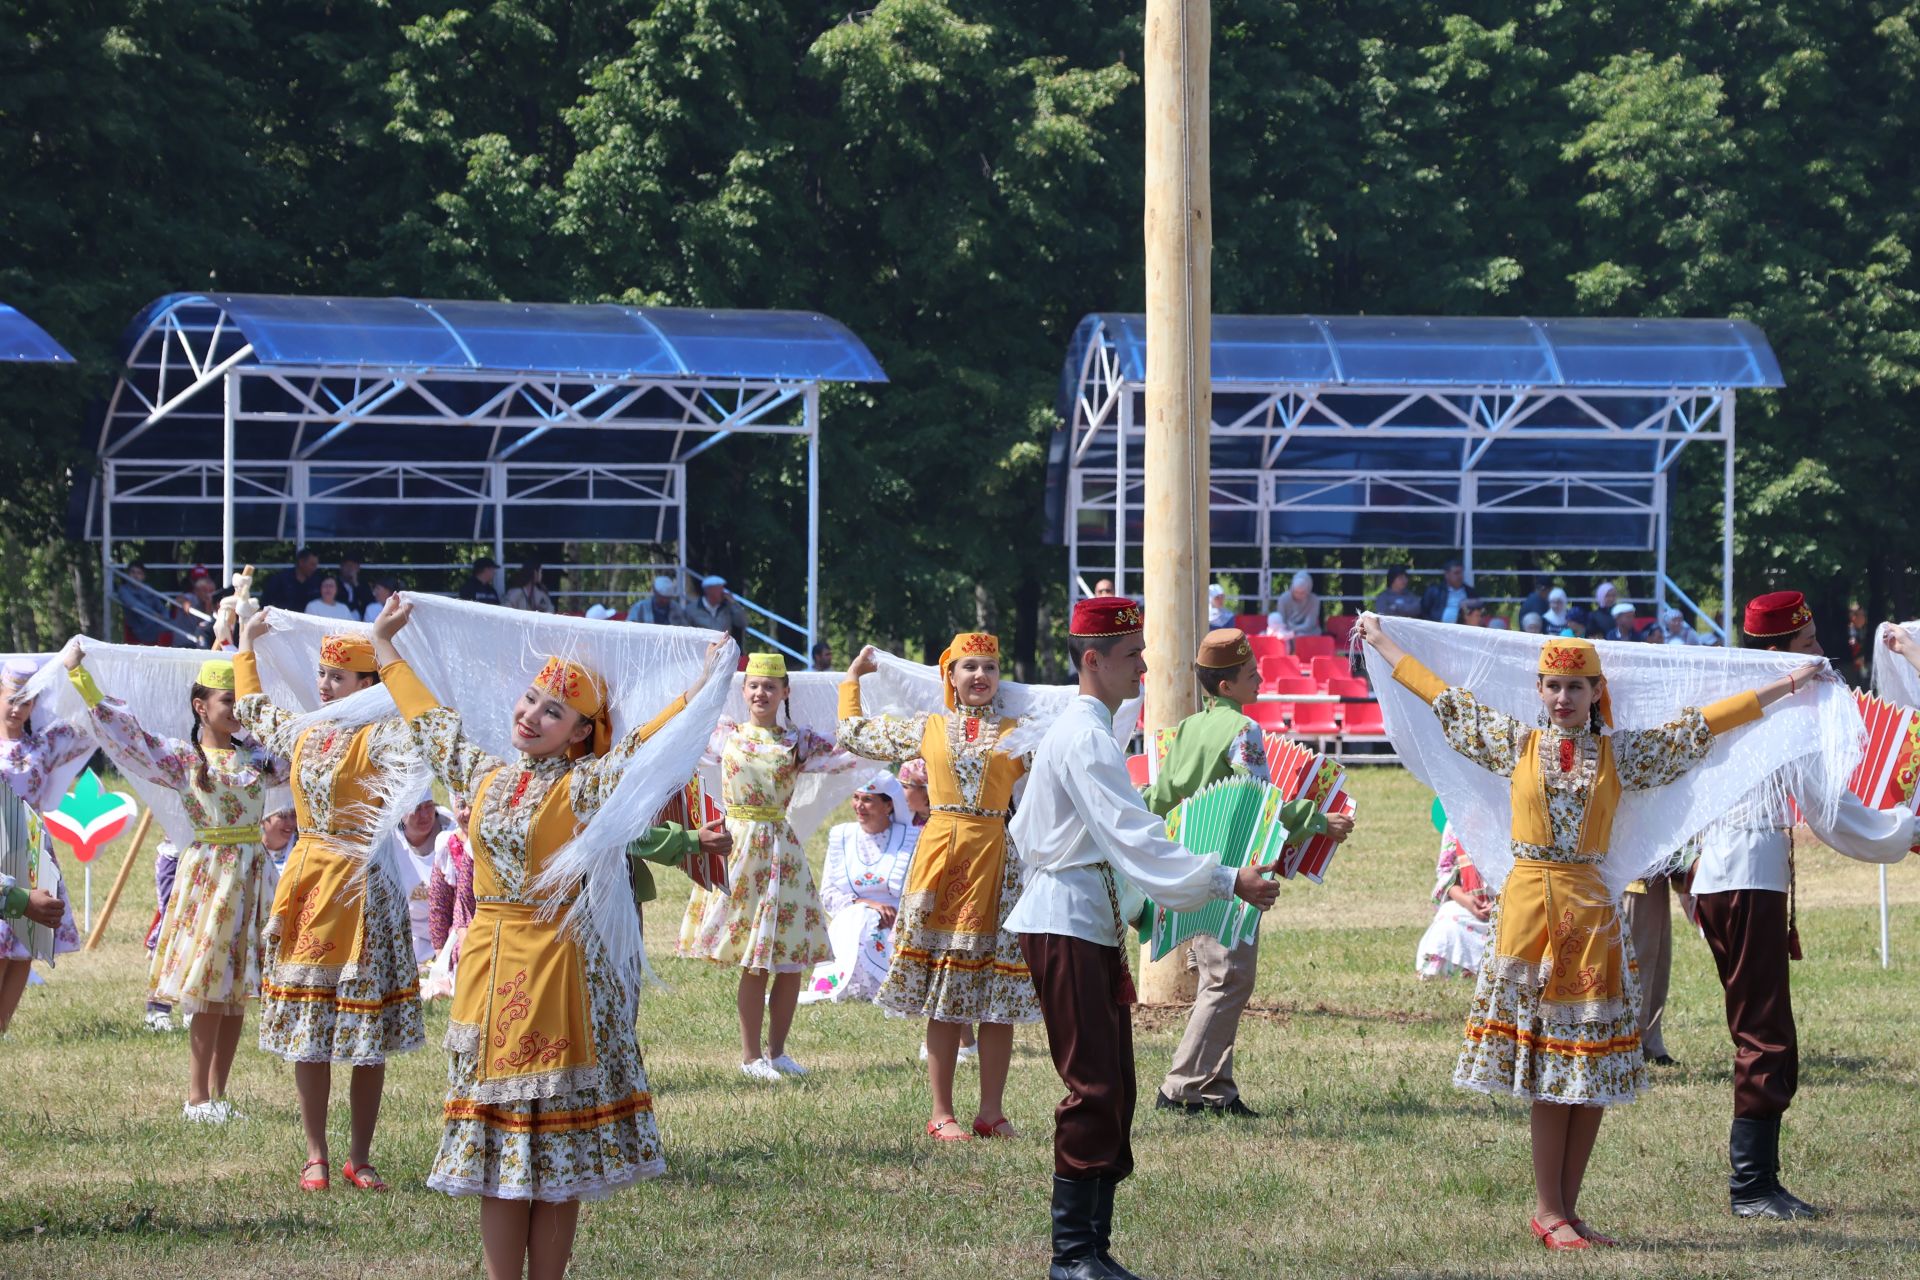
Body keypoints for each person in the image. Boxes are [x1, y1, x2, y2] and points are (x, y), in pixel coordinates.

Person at [1357, 615, 1816, 1249]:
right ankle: (1547, 1210)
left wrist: (1786, 684)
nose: (1565, 698)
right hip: (1529, 917)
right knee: (1550, 1072)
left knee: (1588, 1073)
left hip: (1593, 917)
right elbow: (1442, 698)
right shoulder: (1513, 742)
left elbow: (1701, 726)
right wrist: (1382, 643)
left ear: (1597, 691)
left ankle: (1568, 1210)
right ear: (1539, 690)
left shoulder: (1620, 753)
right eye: (1554, 687)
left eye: (1578, 688)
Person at [371, 598, 724, 1280]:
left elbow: (647, 743)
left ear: (575, 734)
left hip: (559, 972)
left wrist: (703, 682)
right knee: (499, 1154)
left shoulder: (587, 787)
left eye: (551, 712)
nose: (531, 715)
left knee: (556, 1154)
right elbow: (428, 720)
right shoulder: (484, 774)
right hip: (491, 968)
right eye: (530, 701)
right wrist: (386, 647)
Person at [1006, 596, 1282, 1280]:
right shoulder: (1085, 736)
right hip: (1064, 918)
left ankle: (1090, 1249)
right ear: (1092, 660)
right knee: (1094, 1086)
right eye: (1133, 655)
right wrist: (1226, 879)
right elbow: (1136, 837)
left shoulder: (1091, 726)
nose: (1147, 666)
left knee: (1116, 1083)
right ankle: (1072, 1257)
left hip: (1082, 916)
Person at [1684, 591, 1919, 1220]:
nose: (1821, 656)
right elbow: (1830, 813)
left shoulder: (1740, 708)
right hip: (1746, 879)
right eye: (1809, 645)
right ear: (1777, 655)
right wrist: (1905, 829)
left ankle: (1756, 1181)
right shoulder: (1781, 717)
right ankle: (1751, 1187)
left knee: (1761, 1028)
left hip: (1732, 877)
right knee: (1765, 1033)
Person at [233, 613, 426, 1192]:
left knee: (366, 1041)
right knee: (309, 1026)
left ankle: (359, 1156)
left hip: (365, 886)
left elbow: (427, 720)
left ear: (369, 685)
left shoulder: (386, 735)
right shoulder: (307, 731)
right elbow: (253, 711)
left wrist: (389, 647)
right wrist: (244, 644)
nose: (323, 685)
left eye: (338, 677)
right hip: (311, 884)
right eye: (322, 674)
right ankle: (316, 1154)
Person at [63, 645, 289, 1122]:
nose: (236, 710)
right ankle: (196, 1098)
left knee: (235, 993)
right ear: (200, 706)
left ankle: (219, 1095)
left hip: (251, 874)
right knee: (209, 987)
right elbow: (130, 736)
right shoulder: (184, 758)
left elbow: (291, 761)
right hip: (213, 874)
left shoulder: (256, 757)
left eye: (241, 701)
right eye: (229, 701)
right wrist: (79, 676)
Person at [1144, 628, 1353, 1118]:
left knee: (1217, 975)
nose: (1260, 677)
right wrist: (1319, 820)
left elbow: (1163, 796)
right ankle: (1180, 1089)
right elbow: (1263, 804)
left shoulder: (1190, 728)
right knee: (1229, 978)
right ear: (1225, 686)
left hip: (1188, 863)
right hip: (1232, 866)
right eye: (1249, 673)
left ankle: (1217, 1090)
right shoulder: (1244, 732)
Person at [839, 636, 1041, 1136]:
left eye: (990, 667)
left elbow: (1064, 770)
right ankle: (940, 1113)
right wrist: (851, 681)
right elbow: (856, 734)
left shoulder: (1018, 733)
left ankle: (991, 1112)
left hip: (996, 858)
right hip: (942, 859)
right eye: (969, 666)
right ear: (949, 675)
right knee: (945, 988)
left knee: (998, 992)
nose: (980, 676)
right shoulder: (929, 727)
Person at [689, 653, 852, 1080]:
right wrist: (710, 670)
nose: (761, 693)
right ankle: (749, 1057)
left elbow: (850, 747)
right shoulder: (725, 733)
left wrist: (852, 681)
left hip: (782, 849)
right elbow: (685, 717)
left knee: (790, 957)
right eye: (754, 686)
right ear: (744, 692)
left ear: (784, 692)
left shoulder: (799, 740)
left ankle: (778, 1052)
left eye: (769, 687)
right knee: (754, 958)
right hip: (740, 846)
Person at [0, 659, 91, 1034]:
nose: (18, 709)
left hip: (33, 848)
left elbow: (88, 727)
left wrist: (75, 672)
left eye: (27, 701)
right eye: (12, 699)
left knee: (25, 943)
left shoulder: (42, 746)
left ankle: (2, 1026)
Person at [802, 771, 918, 1005]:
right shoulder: (841, 836)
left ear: (888, 806)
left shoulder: (910, 838)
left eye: (867, 800)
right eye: (856, 798)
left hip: (896, 922)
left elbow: (918, 890)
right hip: (851, 920)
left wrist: (897, 915)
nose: (859, 806)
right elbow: (830, 893)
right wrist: (867, 905)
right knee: (860, 920)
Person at [1416, 823, 1490, 979]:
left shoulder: (1517, 814)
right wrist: (1466, 900)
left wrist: (1502, 904)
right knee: (1448, 920)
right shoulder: (1455, 822)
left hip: (1515, 908)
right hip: (1472, 911)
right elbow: (1445, 870)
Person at [1620, 872, 1677, 1065]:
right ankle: (1629, 1039)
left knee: (1659, 956)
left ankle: (1650, 1040)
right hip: (1634, 873)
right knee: (1637, 956)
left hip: (1656, 873)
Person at [421, 801, 475, 1003]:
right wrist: (440, 954)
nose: (467, 812)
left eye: (473, 805)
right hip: (463, 931)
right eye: (461, 806)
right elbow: (439, 904)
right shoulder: (449, 846)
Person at [391, 798, 452, 967]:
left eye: (429, 806)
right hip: (409, 934)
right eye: (417, 808)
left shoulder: (451, 832)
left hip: (451, 932)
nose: (425, 815)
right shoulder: (390, 842)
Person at [116, 561, 173, 644]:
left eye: (139, 573)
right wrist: (154, 614)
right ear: (128, 574)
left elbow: (161, 607)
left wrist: (165, 618)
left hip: (156, 624)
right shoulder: (123, 590)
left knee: (178, 625)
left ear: (143, 576)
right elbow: (134, 605)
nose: (136, 576)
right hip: (141, 629)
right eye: (133, 572)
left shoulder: (147, 589)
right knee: (176, 630)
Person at [686, 575, 750, 647]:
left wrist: (733, 604)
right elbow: (686, 633)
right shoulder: (691, 609)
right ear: (708, 590)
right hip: (701, 650)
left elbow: (742, 623)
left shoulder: (728, 607)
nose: (723, 592)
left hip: (724, 649)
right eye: (719, 588)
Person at [1266, 571, 1322, 639]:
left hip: (1306, 632)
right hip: (1286, 629)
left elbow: (1310, 624)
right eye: (1296, 592)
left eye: (1302, 593)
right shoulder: (1283, 598)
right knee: (1278, 633)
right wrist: (1287, 629)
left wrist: (1294, 630)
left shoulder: (1314, 600)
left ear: (1308, 590)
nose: (1298, 595)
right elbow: (1281, 620)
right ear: (1292, 588)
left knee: (1302, 636)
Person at [263, 549, 322, 613]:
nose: (314, 568)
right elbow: (265, 602)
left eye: (316, 565)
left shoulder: (317, 582)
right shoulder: (280, 579)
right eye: (312, 564)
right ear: (301, 562)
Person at [898, 758, 930, 826]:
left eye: (905, 786)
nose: (899, 790)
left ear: (927, 792)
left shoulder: (943, 822)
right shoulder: (900, 819)